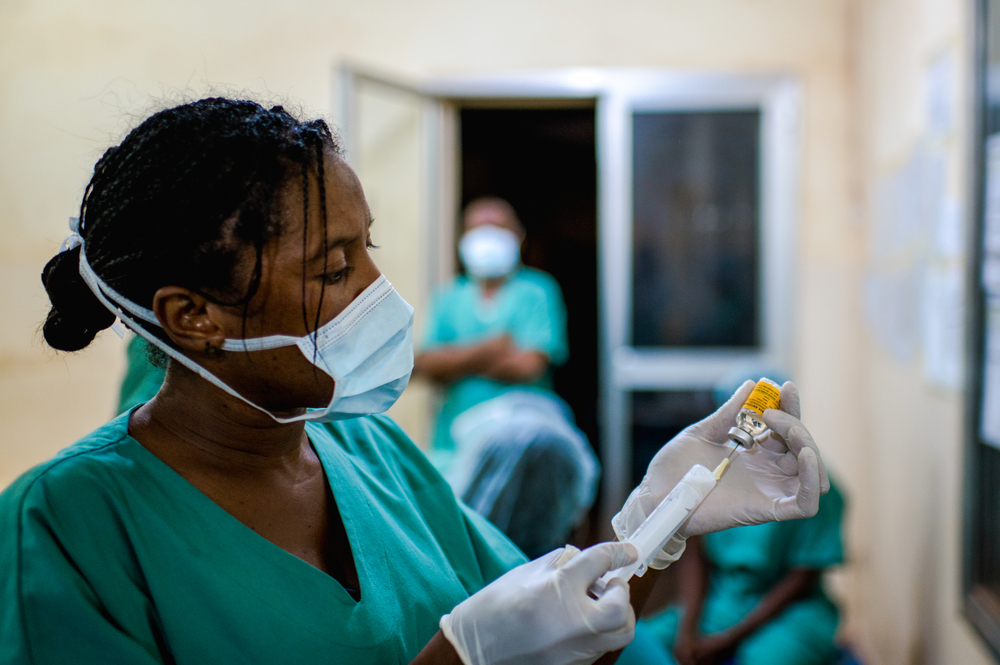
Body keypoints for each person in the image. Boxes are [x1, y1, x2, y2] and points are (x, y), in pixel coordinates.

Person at [0, 98, 828, 665]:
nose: (377, 294)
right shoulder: (66, 528)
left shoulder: (370, 451)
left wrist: (659, 517)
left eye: (369, 249)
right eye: (333, 267)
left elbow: (563, 634)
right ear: (193, 317)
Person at [414, 198, 597, 557]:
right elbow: (424, 365)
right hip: (455, 443)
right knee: (462, 550)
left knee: (528, 549)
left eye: (497, 228)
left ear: (518, 237)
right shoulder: (450, 297)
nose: (487, 236)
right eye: (477, 228)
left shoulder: (536, 290)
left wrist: (457, 358)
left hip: (526, 440)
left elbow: (530, 364)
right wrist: (495, 347)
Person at [640, 377, 846, 665]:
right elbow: (696, 554)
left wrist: (730, 639)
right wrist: (688, 630)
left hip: (789, 611)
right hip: (724, 598)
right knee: (638, 644)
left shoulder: (811, 484)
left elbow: (802, 580)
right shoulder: (714, 476)